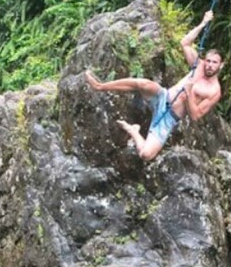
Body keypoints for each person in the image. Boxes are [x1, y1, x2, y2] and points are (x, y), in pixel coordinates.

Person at [85, 10, 223, 162]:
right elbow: (185, 43)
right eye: (208, 61)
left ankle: (133, 131)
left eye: (214, 63)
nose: (209, 65)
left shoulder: (214, 91)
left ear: (221, 65)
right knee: (142, 83)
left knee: (146, 155)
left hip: (169, 117)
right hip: (162, 96)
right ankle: (100, 86)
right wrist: (203, 23)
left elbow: (196, 116)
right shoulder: (199, 66)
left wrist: (189, 93)